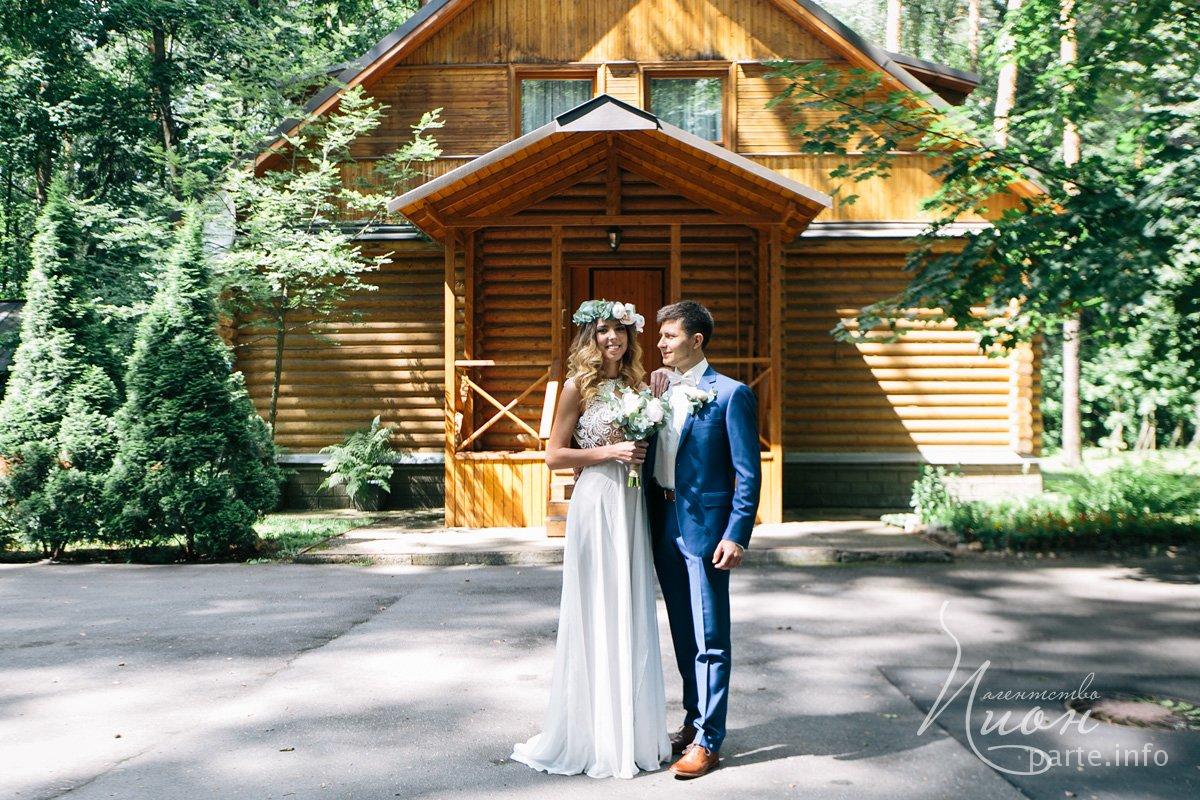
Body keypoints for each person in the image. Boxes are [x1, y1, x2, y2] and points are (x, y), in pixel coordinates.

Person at [510, 299, 672, 779]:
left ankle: (633, 733)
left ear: (630, 336)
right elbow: (554, 456)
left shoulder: (639, 386)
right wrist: (610, 452)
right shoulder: (575, 387)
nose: (612, 338)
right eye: (603, 331)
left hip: (632, 503)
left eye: (620, 330)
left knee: (630, 604)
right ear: (591, 337)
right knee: (598, 603)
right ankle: (593, 734)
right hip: (597, 499)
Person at [644, 300, 762, 779]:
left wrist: (737, 534)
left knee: (711, 635)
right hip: (662, 521)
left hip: (707, 530)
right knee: (682, 630)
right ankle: (693, 722)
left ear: (696, 340)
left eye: (669, 336)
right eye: (660, 335)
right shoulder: (656, 389)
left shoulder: (731, 395)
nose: (660, 343)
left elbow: (747, 473)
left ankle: (709, 740)